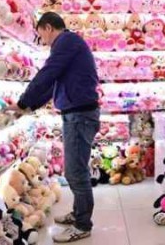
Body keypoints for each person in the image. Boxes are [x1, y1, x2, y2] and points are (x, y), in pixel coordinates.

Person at [16, 12, 100, 243]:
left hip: (80, 115)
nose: (41, 39)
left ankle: (83, 225)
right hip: (77, 114)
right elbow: (52, 82)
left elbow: (48, 73)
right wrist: (29, 105)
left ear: (48, 27)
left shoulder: (66, 41)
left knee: (76, 172)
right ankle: (79, 213)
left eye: (40, 34)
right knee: (75, 170)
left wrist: (23, 101)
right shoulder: (69, 43)